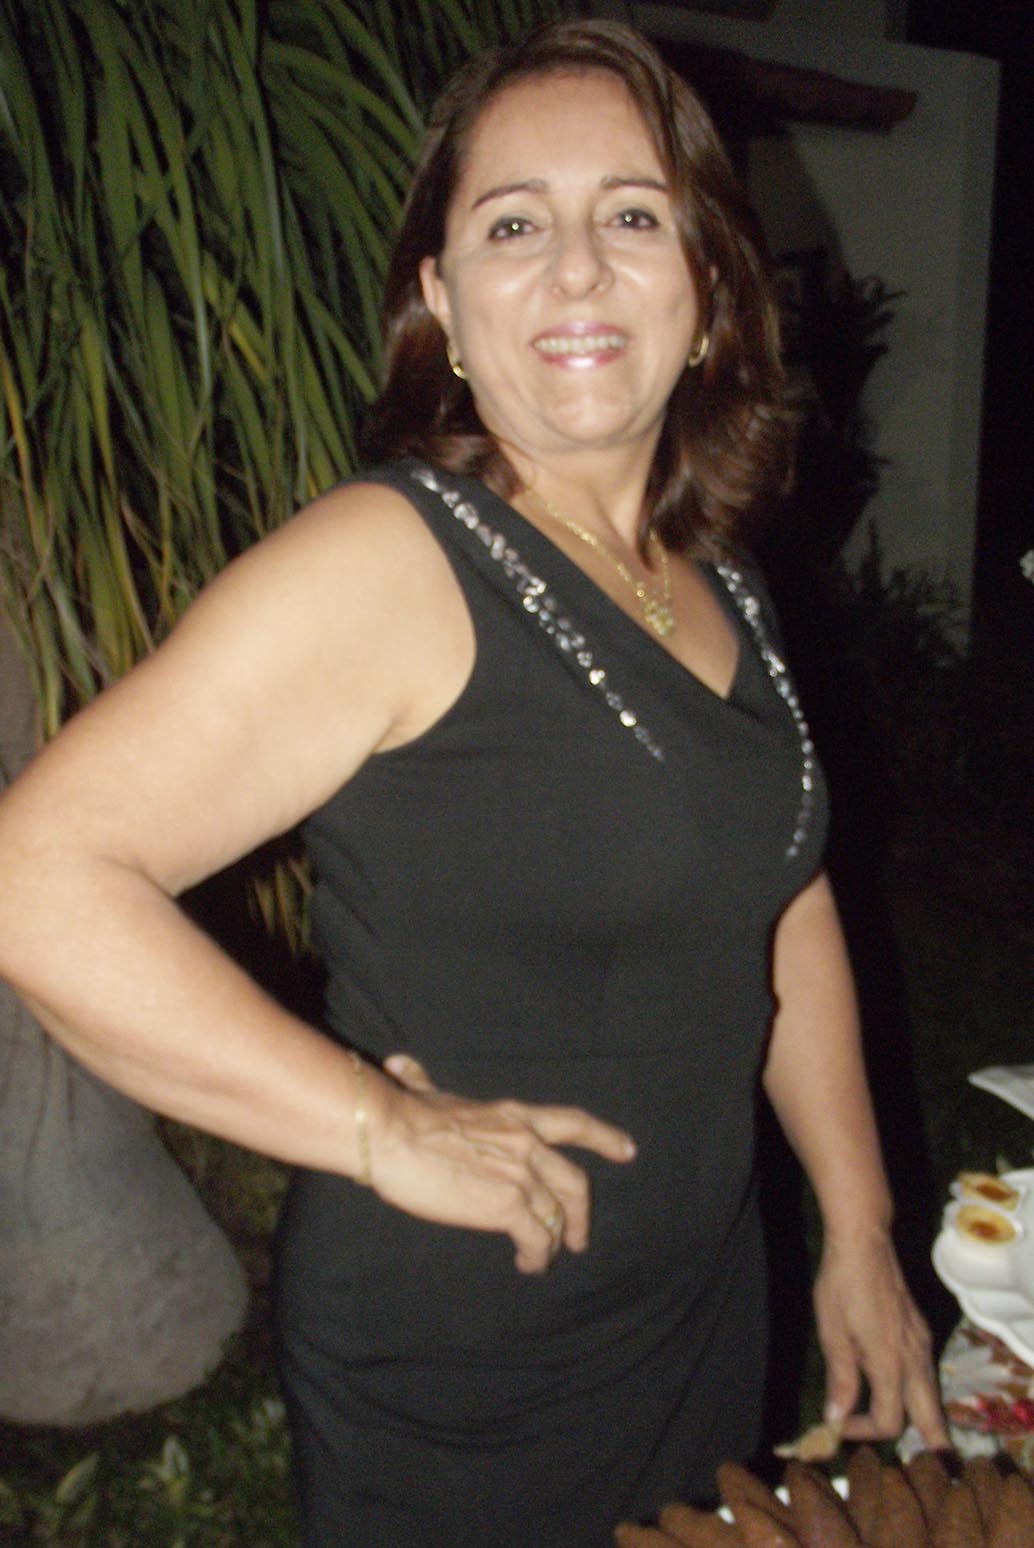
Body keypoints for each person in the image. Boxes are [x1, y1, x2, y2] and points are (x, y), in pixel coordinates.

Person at [0, 18, 946, 1548]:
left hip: (701, 1312)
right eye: (512, 226)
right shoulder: (393, 566)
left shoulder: (711, 575)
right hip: (475, 1368)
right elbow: (39, 879)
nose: (574, 269)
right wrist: (376, 1125)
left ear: (707, 286)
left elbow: (777, 899)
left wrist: (856, 1225)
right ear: (441, 302)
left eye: (630, 215)